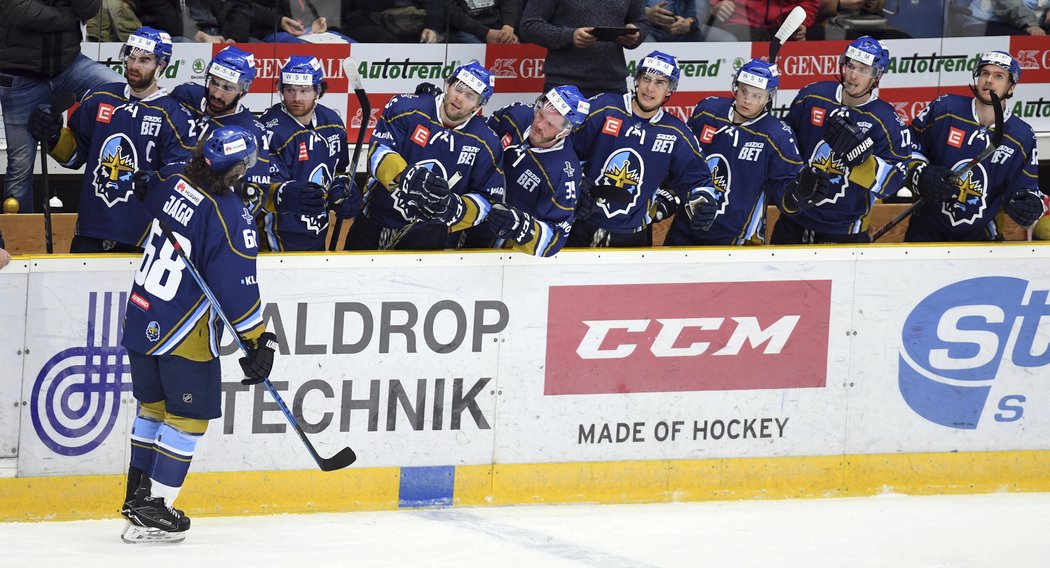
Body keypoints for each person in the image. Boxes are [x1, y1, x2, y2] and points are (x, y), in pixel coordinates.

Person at [119, 125, 276, 542]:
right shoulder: (229, 215)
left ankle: (137, 498)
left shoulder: (173, 178)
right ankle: (155, 505)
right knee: (187, 418)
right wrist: (259, 340)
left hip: (141, 317)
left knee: (153, 410)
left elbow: (149, 189)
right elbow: (236, 285)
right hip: (181, 332)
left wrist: (144, 184)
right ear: (237, 169)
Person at [28, 27, 196, 253]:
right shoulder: (100, 97)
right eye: (131, 57)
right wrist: (53, 136)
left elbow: (183, 179)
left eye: (145, 60)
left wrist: (157, 182)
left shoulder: (174, 116)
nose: (134, 66)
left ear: (162, 66)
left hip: (142, 236)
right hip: (91, 228)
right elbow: (74, 156)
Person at [345, 60, 504, 251]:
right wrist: (406, 176)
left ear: (478, 106)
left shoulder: (486, 142)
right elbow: (378, 152)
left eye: (470, 96)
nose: (459, 97)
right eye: (458, 88)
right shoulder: (406, 107)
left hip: (432, 236)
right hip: (377, 218)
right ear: (449, 84)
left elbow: (488, 198)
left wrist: (456, 208)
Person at [568, 51, 717, 248]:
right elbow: (564, 150)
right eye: (646, 78)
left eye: (660, 83)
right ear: (637, 79)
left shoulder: (676, 133)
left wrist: (704, 200)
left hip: (632, 237)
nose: (650, 88)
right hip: (581, 224)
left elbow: (698, 179)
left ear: (670, 90)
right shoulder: (604, 107)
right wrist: (575, 185)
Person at [771, 35, 910, 244]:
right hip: (794, 219)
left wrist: (863, 161)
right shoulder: (813, 96)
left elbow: (894, 183)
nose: (853, 75)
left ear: (876, 76)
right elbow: (785, 148)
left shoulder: (886, 120)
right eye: (850, 66)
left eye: (863, 70)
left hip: (844, 231)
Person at [903, 51, 1043, 242]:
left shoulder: (1022, 135)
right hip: (925, 229)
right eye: (985, 73)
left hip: (981, 237)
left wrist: (1028, 206)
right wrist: (921, 174)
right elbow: (908, 148)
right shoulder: (945, 109)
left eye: (998, 76)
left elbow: (1024, 189)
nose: (989, 80)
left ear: (1011, 88)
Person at [0, 0, 123, 214]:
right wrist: (69, 18)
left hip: (68, 65)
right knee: (19, 172)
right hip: (21, 76)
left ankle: (80, 151)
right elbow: (21, 12)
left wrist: (70, 14)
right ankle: (18, 245)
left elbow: (89, 9)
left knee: (122, 92)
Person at [665, 59, 804, 246]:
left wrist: (801, 190)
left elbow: (786, 191)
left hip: (738, 236)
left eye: (757, 95)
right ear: (735, 86)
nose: (747, 100)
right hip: (687, 224)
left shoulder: (777, 135)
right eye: (744, 91)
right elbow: (683, 164)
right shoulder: (708, 111)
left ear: (768, 97)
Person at [463, 85, 589, 256]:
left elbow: (555, 238)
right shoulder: (516, 115)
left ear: (565, 132)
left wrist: (521, 226)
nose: (539, 124)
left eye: (550, 124)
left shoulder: (563, 173)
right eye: (540, 113)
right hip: (464, 208)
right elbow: (474, 134)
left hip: (497, 245)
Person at [260, 56, 360, 251]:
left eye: (304, 91)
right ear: (281, 90)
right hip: (276, 235)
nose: (296, 98)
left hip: (317, 230)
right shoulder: (270, 129)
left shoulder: (332, 122)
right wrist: (284, 195)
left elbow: (339, 171)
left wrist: (344, 190)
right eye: (290, 90)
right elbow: (262, 188)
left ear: (318, 91)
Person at [170, 46, 276, 211]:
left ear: (243, 91)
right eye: (214, 83)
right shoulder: (185, 95)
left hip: (206, 214)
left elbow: (255, 196)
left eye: (228, 88)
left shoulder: (251, 131)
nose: (217, 94)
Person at [519, 0, 649, 97]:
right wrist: (569, 36)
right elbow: (529, 25)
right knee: (559, 134)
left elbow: (641, 22)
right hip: (564, 84)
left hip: (614, 85)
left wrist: (635, 34)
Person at [708, 0, 819, 41]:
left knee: (819, 37)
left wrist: (802, 21)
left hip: (784, 24)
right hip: (739, 21)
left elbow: (809, 2)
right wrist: (716, 5)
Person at [644, 0, 736, 41]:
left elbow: (699, 3)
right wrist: (646, 14)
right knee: (641, 43)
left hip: (682, 28)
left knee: (727, 39)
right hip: (646, 29)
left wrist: (690, 22)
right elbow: (630, 5)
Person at [949, 0, 1045, 36]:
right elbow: (1008, 4)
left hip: (1015, 25)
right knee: (1033, 44)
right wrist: (1030, 25)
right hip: (983, 26)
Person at [447, 0, 521, 43]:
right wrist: (485, 33)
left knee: (516, 48)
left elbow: (511, 3)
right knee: (478, 52)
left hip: (498, 25)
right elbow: (451, 12)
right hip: (464, 28)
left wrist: (508, 26)